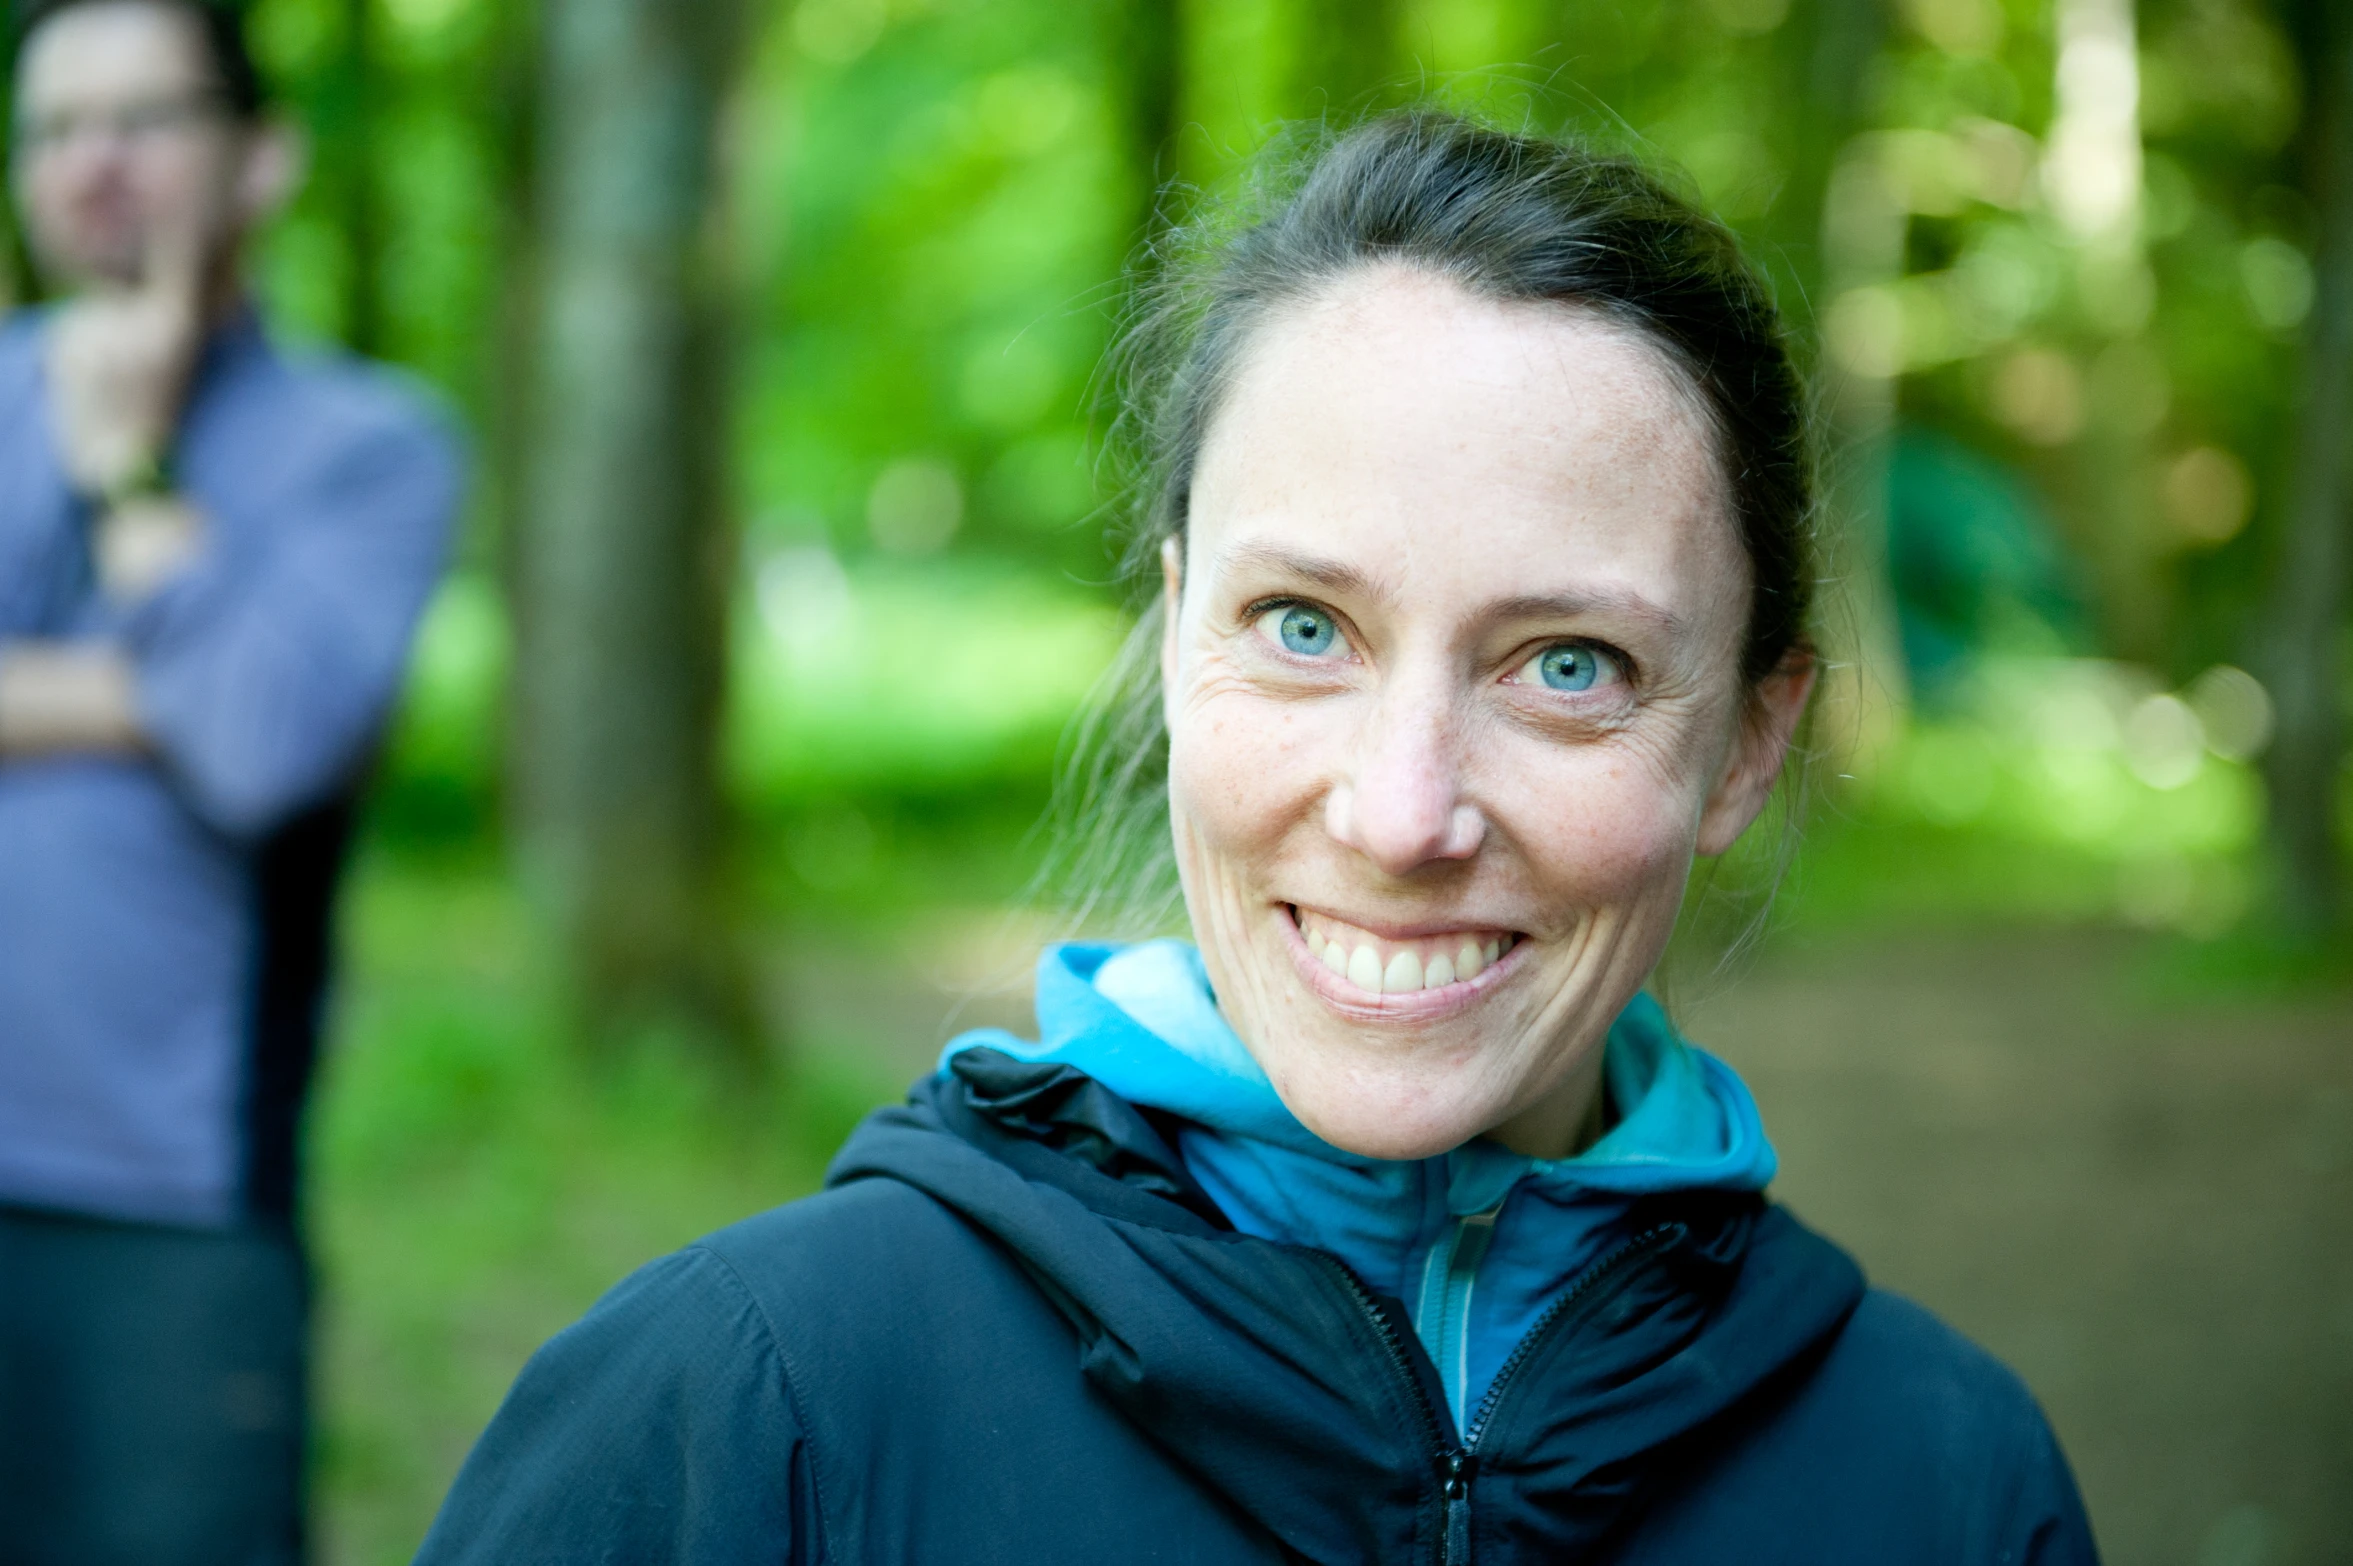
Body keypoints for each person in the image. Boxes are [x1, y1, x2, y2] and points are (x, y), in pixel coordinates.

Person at [417, 111, 2096, 1564]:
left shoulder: (1948, 1483)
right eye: (1305, 628)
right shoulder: (740, 1413)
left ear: (1749, 738)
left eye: (1565, 665)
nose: (1401, 810)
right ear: (1172, 632)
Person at [0, 1, 458, 1560]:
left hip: (169, 1203)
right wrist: (160, 695)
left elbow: (265, 750)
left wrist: (128, 466)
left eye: (142, 118)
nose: (93, 165)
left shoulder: (372, 448)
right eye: (55, 129)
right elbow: (252, 703)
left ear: (261, 159)